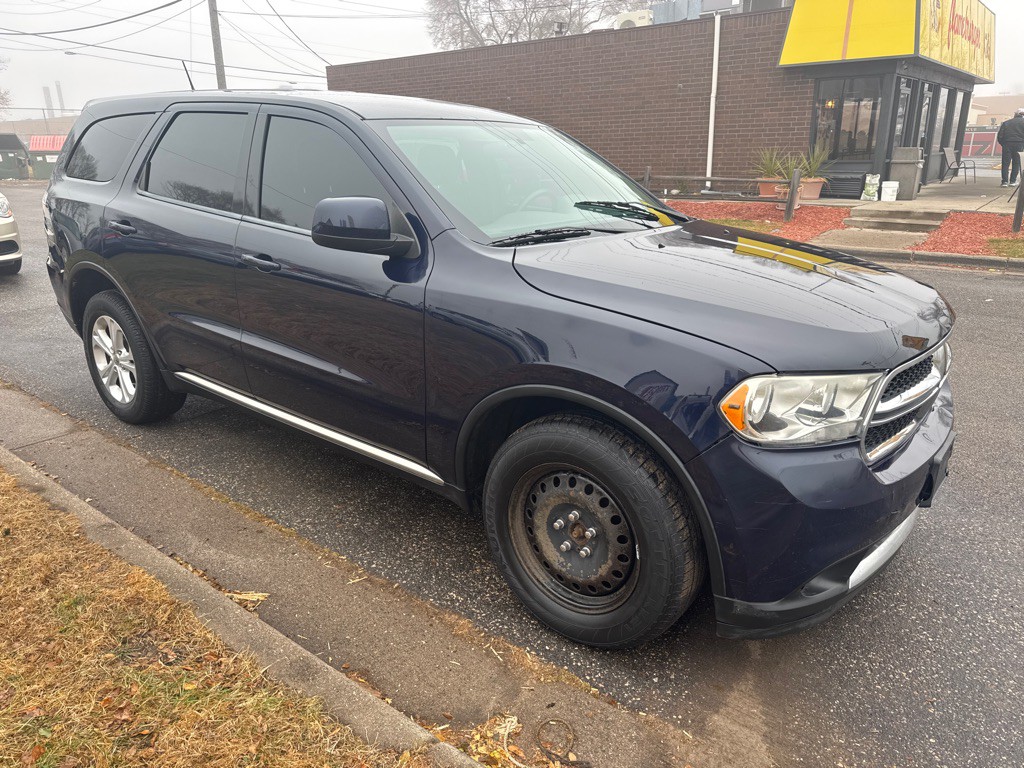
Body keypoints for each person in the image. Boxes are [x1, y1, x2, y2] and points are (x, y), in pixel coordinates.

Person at [997, 108, 1024, 187]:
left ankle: (1004, 182)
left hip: (1007, 144)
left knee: (1005, 163)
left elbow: (1000, 136)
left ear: (1015, 114)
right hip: (1019, 144)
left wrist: (1003, 144)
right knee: (1016, 163)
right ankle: (1012, 181)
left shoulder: (1006, 123)